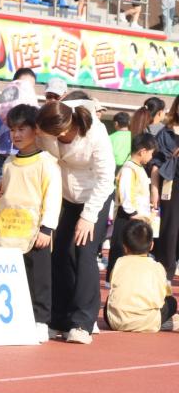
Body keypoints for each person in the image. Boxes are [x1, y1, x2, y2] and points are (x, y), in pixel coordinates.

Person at [36, 100, 115, 344]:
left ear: (60, 131)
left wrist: (88, 216)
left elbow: (106, 177)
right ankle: (59, 318)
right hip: (64, 194)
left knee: (84, 250)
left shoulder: (95, 132)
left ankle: (83, 322)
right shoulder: (47, 126)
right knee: (59, 252)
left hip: (94, 195)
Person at [0, 104, 61, 336]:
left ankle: (41, 321)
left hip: (35, 232)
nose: (16, 135)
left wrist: (47, 228)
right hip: (9, 231)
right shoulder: (9, 162)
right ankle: (16, 317)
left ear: (36, 130)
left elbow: (52, 196)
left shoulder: (46, 162)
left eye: (22, 129)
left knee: (39, 279)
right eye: (12, 130)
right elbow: (2, 197)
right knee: (14, 277)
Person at [104, 219, 175, 333]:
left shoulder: (119, 263)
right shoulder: (158, 267)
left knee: (110, 299)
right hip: (148, 320)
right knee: (171, 302)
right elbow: (164, 295)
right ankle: (156, 323)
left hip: (116, 321)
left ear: (124, 247)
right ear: (152, 245)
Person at [107, 132, 156, 283]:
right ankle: (113, 279)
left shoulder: (139, 168)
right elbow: (125, 193)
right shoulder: (129, 169)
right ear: (143, 151)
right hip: (127, 216)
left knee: (131, 250)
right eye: (151, 153)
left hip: (136, 216)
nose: (151, 157)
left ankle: (126, 279)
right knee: (120, 248)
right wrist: (133, 213)